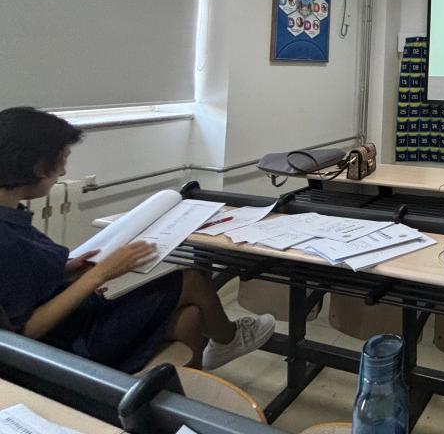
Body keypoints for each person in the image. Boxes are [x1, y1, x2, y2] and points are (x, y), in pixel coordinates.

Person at [0, 107, 275, 373]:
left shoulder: (11, 213)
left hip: (78, 321)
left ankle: (179, 397)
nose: (62, 171)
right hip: (68, 344)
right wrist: (98, 275)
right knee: (192, 280)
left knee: (189, 318)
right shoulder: (6, 238)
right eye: (62, 159)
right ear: (38, 166)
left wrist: (68, 269)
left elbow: (24, 279)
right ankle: (230, 339)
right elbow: (25, 332)